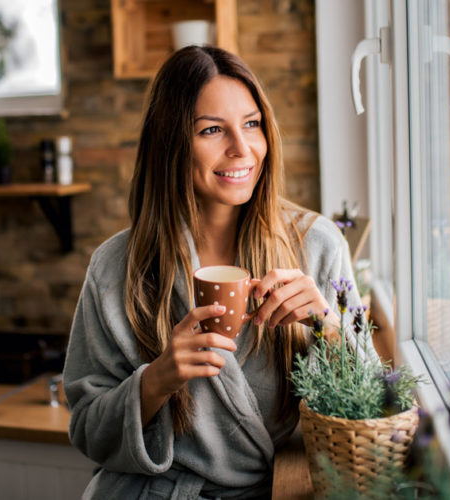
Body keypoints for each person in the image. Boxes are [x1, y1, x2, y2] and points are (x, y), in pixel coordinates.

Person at [62, 45, 365, 499]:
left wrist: (330, 327)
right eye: (211, 130)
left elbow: (377, 409)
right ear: (171, 144)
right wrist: (156, 380)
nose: (242, 149)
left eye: (251, 124)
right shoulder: (116, 266)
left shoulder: (317, 246)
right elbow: (88, 430)